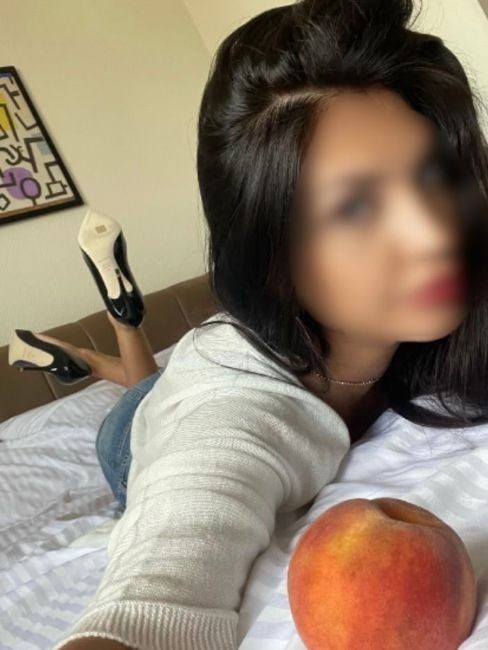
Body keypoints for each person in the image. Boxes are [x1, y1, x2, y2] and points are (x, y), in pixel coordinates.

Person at [10, 0, 488, 647]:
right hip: (137, 434)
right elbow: (165, 575)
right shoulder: (227, 411)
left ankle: (96, 351)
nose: (434, 233)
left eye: (433, 174)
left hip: (216, 358)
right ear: (269, 254)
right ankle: (94, 356)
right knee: (144, 394)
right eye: (355, 208)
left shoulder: (444, 297)